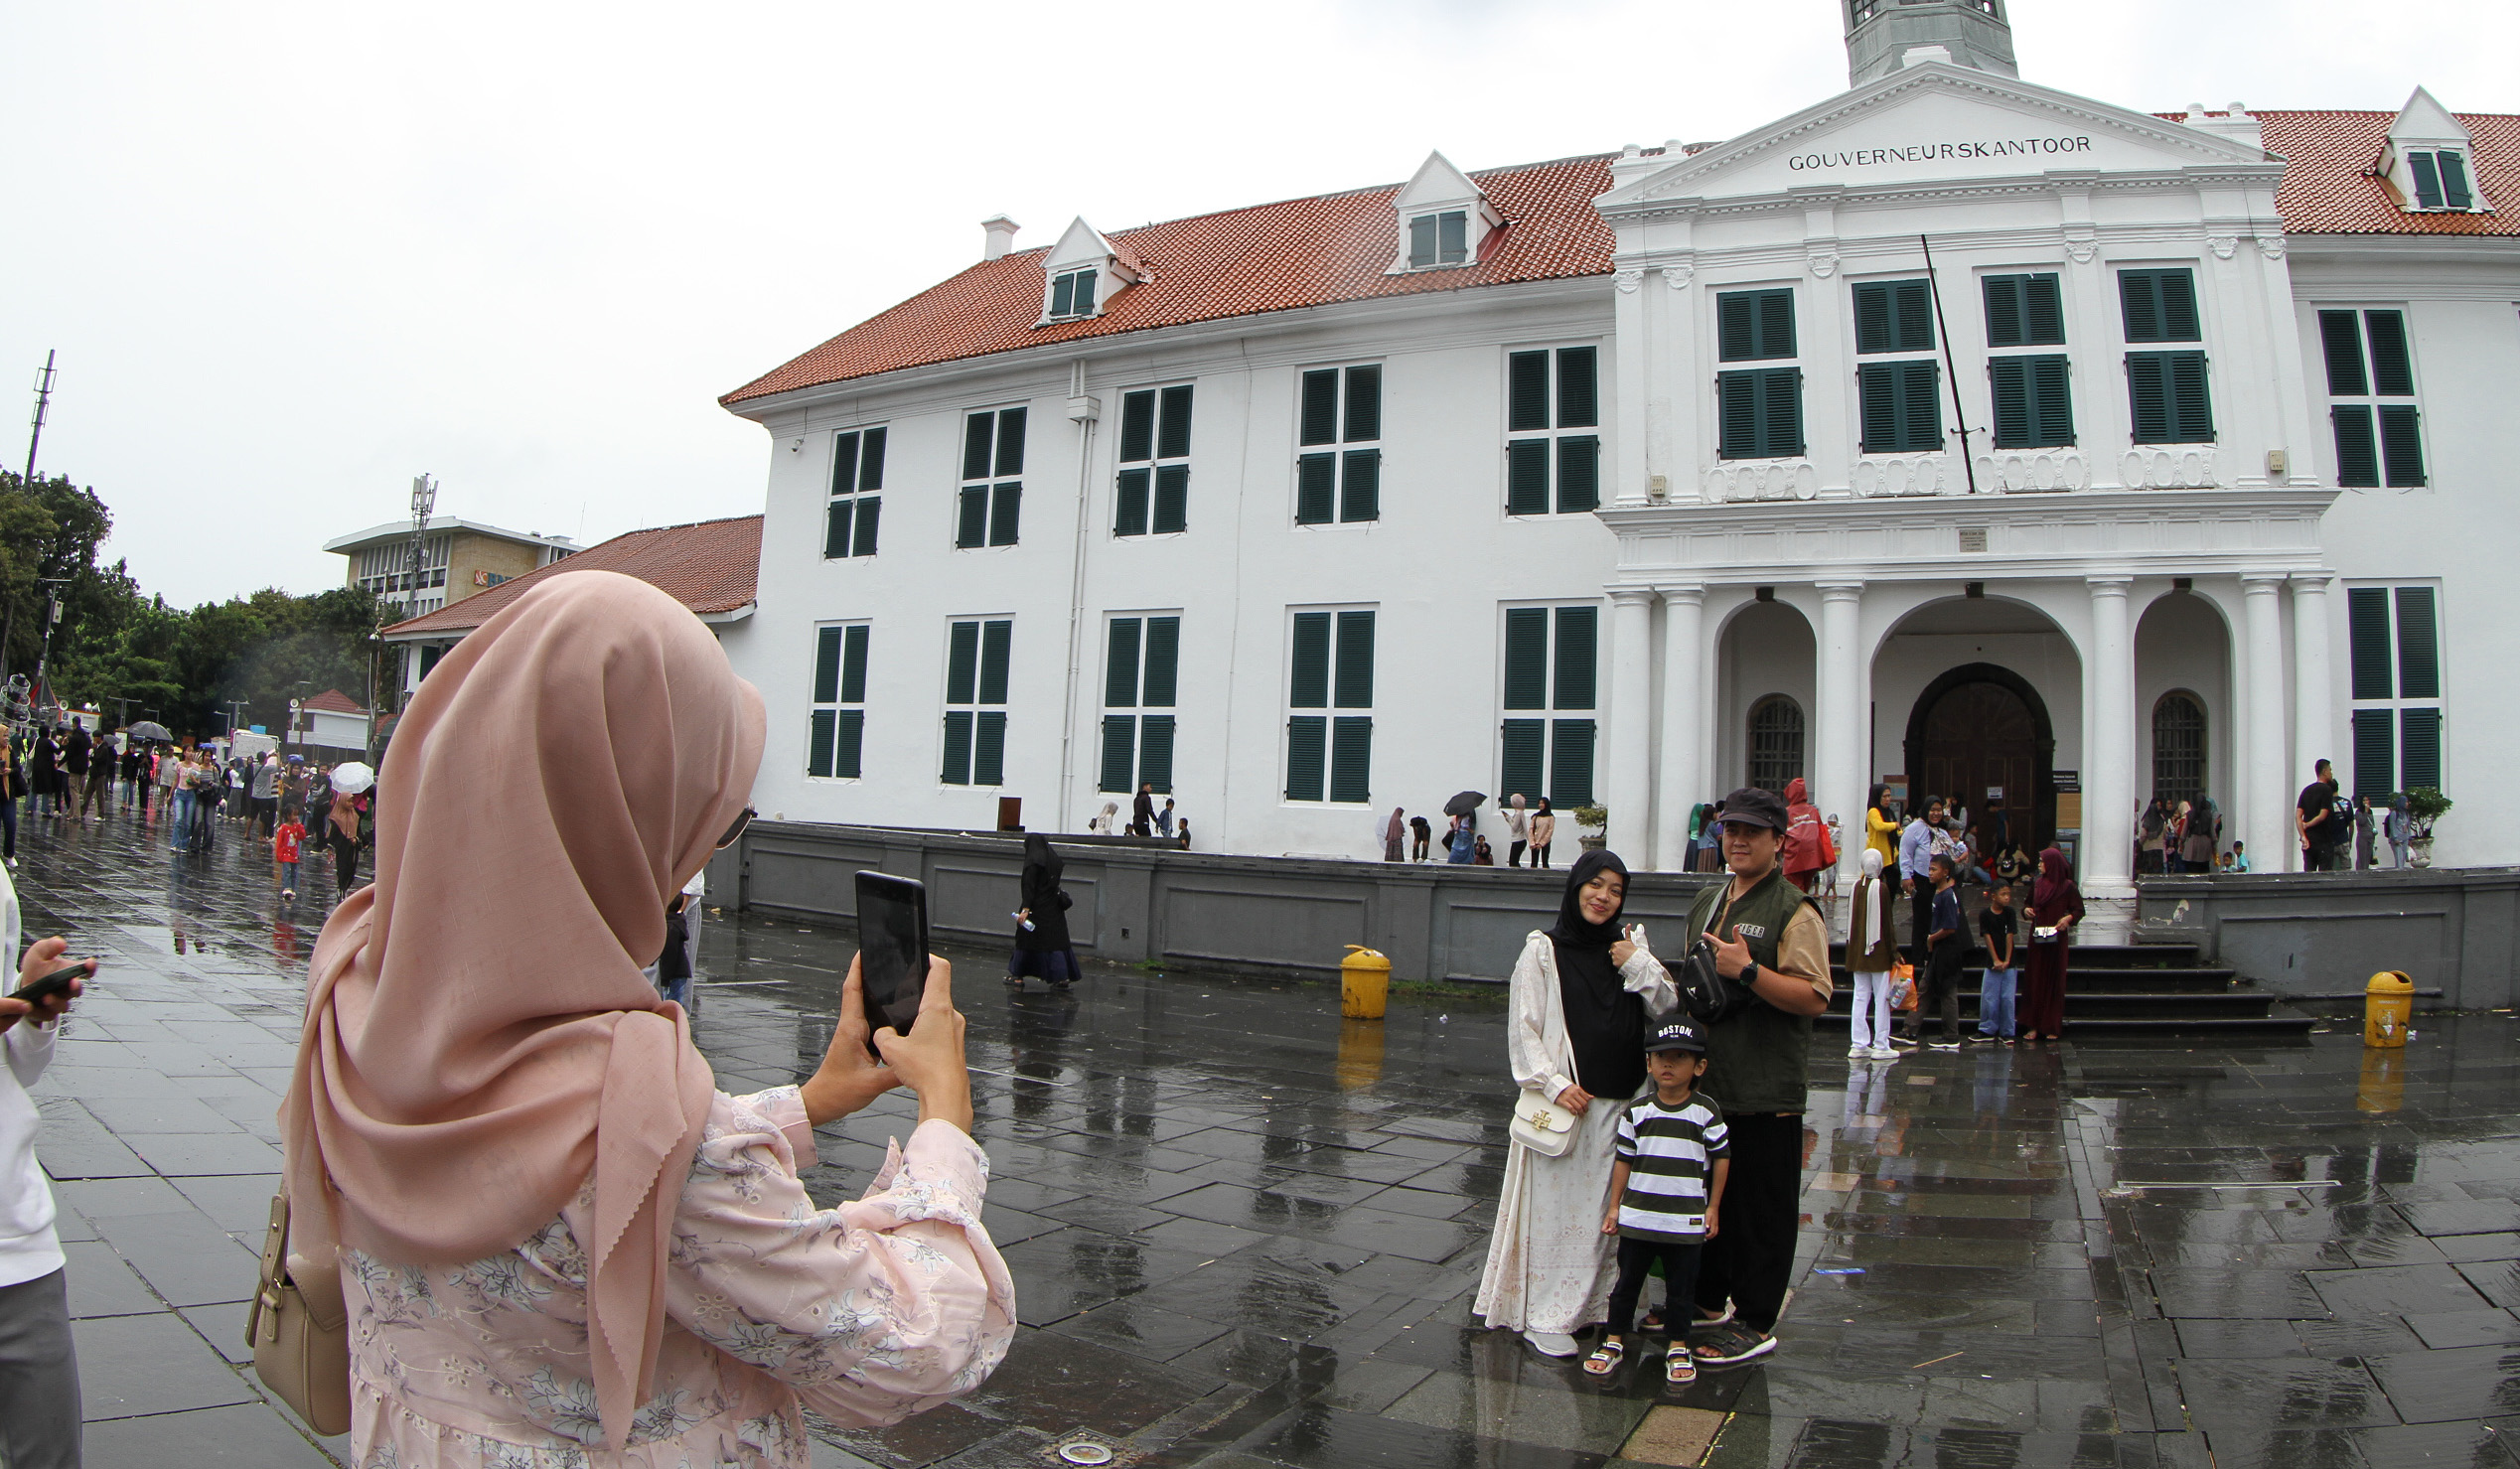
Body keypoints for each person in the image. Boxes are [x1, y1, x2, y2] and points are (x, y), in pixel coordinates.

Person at [276, 571, 1014, 1465]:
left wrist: (805, 1104)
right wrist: (944, 1124)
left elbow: (561, 1153)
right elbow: (907, 1346)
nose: (702, 843)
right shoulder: (640, 1114)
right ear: (619, 812)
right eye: (707, 814)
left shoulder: (352, 981)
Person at [1474, 849, 1678, 1358]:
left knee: (1609, 1215)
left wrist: (1639, 964)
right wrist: (1552, 1082)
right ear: (1577, 886)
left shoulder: (1629, 946)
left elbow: (1669, 1007)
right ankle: (1547, 1314)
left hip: (1626, 1103)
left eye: (1615, 890)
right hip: (1572, 1105)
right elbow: (1525, 1029)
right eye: (1596, 885)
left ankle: (1597, 1309)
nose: (1604, 897)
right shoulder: (1543, 950)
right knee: (1560, 1213)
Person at [1682, 788, 1829, 1368]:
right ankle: (1707, 1299)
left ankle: (1756, 1317)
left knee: (1761, 1208)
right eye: (1729, 830)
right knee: (1707, 1197)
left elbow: (1814, 996)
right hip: (1710, 1082)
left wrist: (1748, 971)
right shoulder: (1706, 901)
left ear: (1778, 841)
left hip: (1767, 1086)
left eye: (1751, 832)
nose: (1737, 840)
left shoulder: (1794, 910)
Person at [1584, 1018, 1729, 1387]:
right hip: (1639, 1217)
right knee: (1626, 1283)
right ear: (1649, 1063)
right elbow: (1624, 1160)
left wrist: (1712, 1207)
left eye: (1679, 1058)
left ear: (1698, 1067)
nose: (1668, 1065)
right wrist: (1615, 1207)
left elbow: (1722, 1158)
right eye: (1661, 1057)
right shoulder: (1638, 1111)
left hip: (1685, 1221)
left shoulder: (1705, 1112)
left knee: (1682, 1290)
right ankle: (1615, 1338)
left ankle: (1678, 1345)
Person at [2021, 847, 2083, 1043]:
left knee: (2054, 980)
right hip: (2038, 937)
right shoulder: (2038, 885)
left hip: (2056, 937)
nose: (2039, 865)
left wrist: (2068, 919)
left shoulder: (2068, 887)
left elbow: (2079, 910)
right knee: (2035, 978)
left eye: (2042, 862)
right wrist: (2027, 911)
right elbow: (2026, 905)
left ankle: (2051, 1025)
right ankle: (2033, 1024)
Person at [1904, 855, 1966, 1050]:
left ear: (1945, 872)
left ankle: (1950, 1035)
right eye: (1929, 869)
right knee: (1925, 987)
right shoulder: (1938, 893)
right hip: (1938, 949)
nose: (1930, 873)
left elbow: (1950, 927)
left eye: (1934, 869)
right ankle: (1909, 1029)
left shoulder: (1948, 895)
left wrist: (1931, 938)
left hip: (1946, 949)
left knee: (1947, 990)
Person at [1006, 832, 1080, 991]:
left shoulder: (1033, 862)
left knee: (1025, 940)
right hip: (1053, 908)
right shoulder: (1053, 860)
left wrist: (1026, 909)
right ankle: (1061, 977)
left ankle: (1017, 975)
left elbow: (1029, 888)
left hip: (1036, 909)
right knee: (1055, 943)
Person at [1845, 849, 1899, 1061]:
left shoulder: (1855, 887)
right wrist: (1894, 951)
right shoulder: (1881, 888)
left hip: (1858, 952)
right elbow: (1887, 923)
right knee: (1881, 997)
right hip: (1878, 951)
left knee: (1860, 996)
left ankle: (1858, 1043)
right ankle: (1881, 1044)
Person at [1975, 881, 2020, 1047]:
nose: (2007, 898)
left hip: (2010, 962)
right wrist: (1995, 959)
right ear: (1993, 896)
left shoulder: (2010, 913)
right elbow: (1987, 936)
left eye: (2008, 894)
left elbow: (2010, 936)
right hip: (1992, 962)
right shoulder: (1985, 914)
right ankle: (1987, 1028)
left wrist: (2007, 960)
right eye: (2003, 894)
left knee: (2007, 998)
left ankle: (2007, 1031)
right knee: (1989, 996)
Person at [1899, 798, 1940, 962]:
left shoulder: (1940, 830)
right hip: (1921, 879)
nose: (1936, 813)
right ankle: (1919, 956)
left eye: (1939, 810)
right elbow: (1906, 852)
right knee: (1921, 919)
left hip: (1938, 882)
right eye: (1933, 810)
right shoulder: (1914, 829)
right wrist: (1906, 876)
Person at [1780, 778, 1830, 893]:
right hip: (1812, 858)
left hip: (1793, 858)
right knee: (1804, 889)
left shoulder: (1787, 812)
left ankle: (1798, 909)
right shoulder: (1813, 811)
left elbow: (1781, 836)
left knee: (1793, 891)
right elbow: (1822, 833)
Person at [2298, 759, 2343, 872]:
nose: (2331, 773)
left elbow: (2298, 816)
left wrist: (2303, 836)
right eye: (2330, 770)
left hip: (2309, 840)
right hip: (2323, 840)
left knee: (2309, 872)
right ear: (2324, 772)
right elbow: (2323, 815)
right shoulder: (2327, 790)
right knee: (2324, 873)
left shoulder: (2306, 791)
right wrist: (2308, 824)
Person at [1864, 787, 1901, 894]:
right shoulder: (1873, 811)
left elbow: (1896, 831)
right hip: (1876, 855)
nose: (1887, 799)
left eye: (1889, 796)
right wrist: (1895, 825)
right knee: (1875, 887)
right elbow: (1879, 826)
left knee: (1893, 883)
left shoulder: (1889, 812)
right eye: (1884, 796)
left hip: (1888, 855)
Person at [329, 779, 363, 895]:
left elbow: (359, 832)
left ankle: (345, 887)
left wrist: (356, 840)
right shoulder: (336, 817)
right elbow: (332, 835)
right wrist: (330, 847)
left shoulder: (355, 816)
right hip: (342, 847)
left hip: (352, 848)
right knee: (342, 868)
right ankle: (341, 888)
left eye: (352, 802)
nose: (351, 804)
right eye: (349, 801)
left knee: (351, 870)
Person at [58, 723, 90, 822]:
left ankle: (76, 814)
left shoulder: (74, 739)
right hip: (83, 767)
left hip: (74, 767)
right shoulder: (86, 739)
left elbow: (69, 754)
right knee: (77, 789)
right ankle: (71, 812)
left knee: (73, 790)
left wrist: (59, 763)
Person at [274, 806, 307, 900]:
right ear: (288, 816)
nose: (296, 817)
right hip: (286, 855)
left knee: (294, 872)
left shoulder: (296, 827)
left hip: (294, 855)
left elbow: (302, 836)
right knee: (287, 871)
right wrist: (279, 855)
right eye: (294, 815)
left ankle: (292, 888)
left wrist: (300, 825)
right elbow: (279, 842)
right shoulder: (283, 828)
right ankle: (287, 887)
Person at [2180, 798, 2219, 875]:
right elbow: (2212, 833)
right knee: (2204, 869)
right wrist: (2214, 845)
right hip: (2205, 844)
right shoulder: (2208, 815)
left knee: (2192, 869)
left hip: (2192, 843)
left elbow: (2184, 832)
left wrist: (2181, 842)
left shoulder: (2190, 814)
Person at [26, 730, 57, 824]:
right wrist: (63, 745)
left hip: (36, 768)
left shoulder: (38, 741)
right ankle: (45, 810)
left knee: (34, 788)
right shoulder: (48, 742)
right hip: (45, 769)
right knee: (46, 789)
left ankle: (30, 808)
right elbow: (57, 751)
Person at [251, 753, 280, 837]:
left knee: (254, 816)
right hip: (266, 796)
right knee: (265, 817)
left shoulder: (256, 767)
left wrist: (270, 755)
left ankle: (251, 833)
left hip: (261, 795)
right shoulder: (267, 769)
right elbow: (278, 766)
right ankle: (264, 835)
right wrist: (278, 756)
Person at [2384, 795, 2413, 870]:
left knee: (2403, 857)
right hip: (2397, 839)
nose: (2407, 804)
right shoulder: (2394, 813)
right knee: (2399, 857)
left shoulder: (2406, 814)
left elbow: (2408, 825)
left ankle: (2401, 869)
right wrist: (2395, 837)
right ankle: (2399, 871)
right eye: (2406, 802)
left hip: (2405, 838)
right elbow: (2392, 826)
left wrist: (2409, 837)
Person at [1528, 798, 1556, 869]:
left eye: (1542, 803)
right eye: (1539, 803)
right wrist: (1532, 842)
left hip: (1545, 842)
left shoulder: (1550, 817)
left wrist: (1542, 843)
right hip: (1535, 842)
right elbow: (1531, 829)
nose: (1541, 805)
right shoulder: (1535, 816)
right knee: (1533, 863)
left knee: (1545, 862)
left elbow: (1550, 831)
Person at [2353, 795, 2378, 870]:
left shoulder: (2370, 811)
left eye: (2367, 800)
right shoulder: (2359, 812)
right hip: (2362, 836)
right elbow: (2361, 821)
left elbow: (2372, 823)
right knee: (2362, 856)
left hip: (2370, 836)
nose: (2366, 802)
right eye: (2364, 800)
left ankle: (2366, 869)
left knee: (2368, 856)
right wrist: (2365, 812)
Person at [1505, 794, 1530, 867]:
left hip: (1517, 840)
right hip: (1521, 840)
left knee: (1513, 862)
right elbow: (1524, 827)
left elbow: (1514, 827)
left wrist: (1508, 818)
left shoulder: (1518, 814)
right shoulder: (1520, 813)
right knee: (1514, 861)